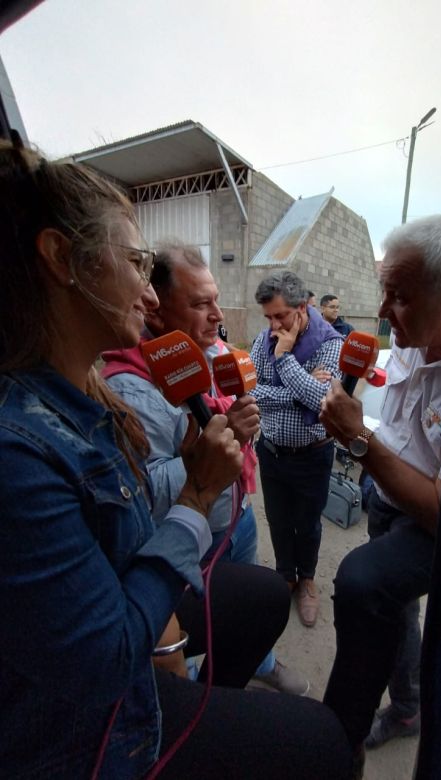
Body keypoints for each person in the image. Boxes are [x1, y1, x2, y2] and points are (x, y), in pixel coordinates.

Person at [0, 137, 353, 779]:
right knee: (322, 744)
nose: (149, 293)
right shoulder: (18, 451)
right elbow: (106, 655)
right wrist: (195, 494)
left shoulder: (86, 394)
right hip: (95, 733)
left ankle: (205, 697)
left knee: (260, 594)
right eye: (136, 261)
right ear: (61, 259)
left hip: (143, 631)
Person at [319, 214, 441, 770]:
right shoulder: (413, 339)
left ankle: (336, 740)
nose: (385, 313)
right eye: (384, 292)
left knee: (365, 581)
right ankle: (409, 707)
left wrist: (360, 442)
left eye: (400, 297)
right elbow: (398, 428)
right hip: (383, 500)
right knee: (397, 614)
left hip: (428, 522)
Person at [102, 244, 309, 696]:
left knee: (253, 599)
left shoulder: (211, 353)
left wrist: (240, 431)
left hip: (237, 515)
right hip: (197, 534)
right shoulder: (132, 393)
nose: (217, 315)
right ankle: (204, 682)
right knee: (211, 619)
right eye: (200, 304)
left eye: (215, 299)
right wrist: (211, 450)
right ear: (156, 313)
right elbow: (143, 494)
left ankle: (262, 661)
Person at [250, 271, 344, 627]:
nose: (274, 326)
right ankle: (284, 575)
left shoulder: (330, 343)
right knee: (277, 519)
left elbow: (324, 401)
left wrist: (285, 357)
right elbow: (252, 394)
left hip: (313, 455)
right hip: (271, 451)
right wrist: (299, 392)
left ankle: (306, 580)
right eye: (268, 317)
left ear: (302, 308)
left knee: (307, 524)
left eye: (281, 316)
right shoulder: (262, 341)